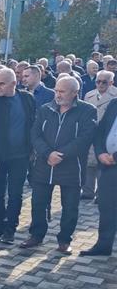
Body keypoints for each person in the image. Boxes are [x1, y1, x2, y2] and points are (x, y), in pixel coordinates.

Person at [22, 75, 97, 254]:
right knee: (38, 203)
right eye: (56, 90)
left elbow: (85, 138)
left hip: (71, 166)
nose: (58, 94)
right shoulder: (45, 108)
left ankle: (64, 240)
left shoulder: (87, 111)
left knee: (70, 206)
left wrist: (61, 155)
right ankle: (36, 235)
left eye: (62, 91)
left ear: (75, 93)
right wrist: (48, 153)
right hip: (44, 164)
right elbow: (35, 134)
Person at [0, 68, 36, 244]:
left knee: (16, 194)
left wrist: (33, 149)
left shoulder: (27, 99)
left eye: (1, 84)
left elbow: (33, 123)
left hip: (20, 156)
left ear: (14, 84)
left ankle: (10, 228)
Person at [81, 97, 117, 256]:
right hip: (108, 165)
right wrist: (100, 152)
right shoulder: (114, 103)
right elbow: (101, 130)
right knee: (106, 205)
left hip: (113, 160)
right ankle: (104, 245)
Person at [82, 70, 117, 199]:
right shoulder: (89, 95)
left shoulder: (115, 97)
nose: (100, 84)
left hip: (105, 134)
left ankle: (101, 193)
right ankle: (87, 191)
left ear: (111, 82)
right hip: (90, 131)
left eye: (104, 82)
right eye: (98, 81)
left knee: (102, 163)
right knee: (89, 162)